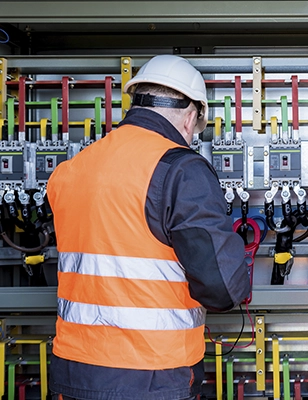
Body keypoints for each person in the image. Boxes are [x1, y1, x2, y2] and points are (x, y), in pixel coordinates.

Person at [47, 54, 251, 400]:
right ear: (190, 117)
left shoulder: (70, 170)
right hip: (150, 375)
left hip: (73, 370)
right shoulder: (181, 170)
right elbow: (223, 289)